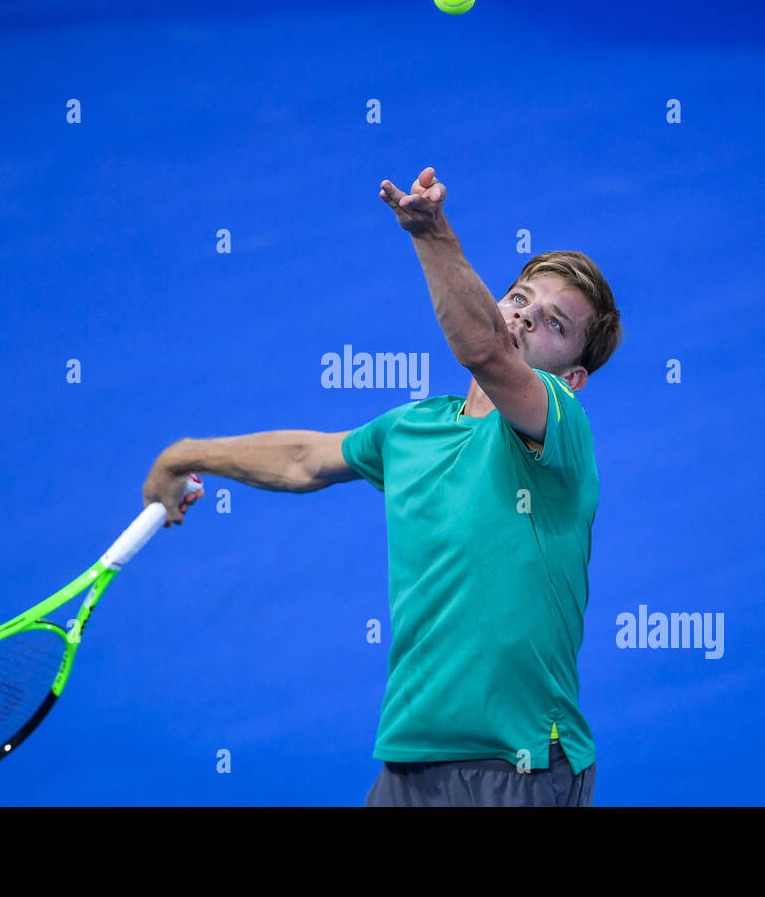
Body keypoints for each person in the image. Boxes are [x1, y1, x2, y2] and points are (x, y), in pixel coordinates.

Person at [143, 167, 623, 806]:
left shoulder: (559, 428)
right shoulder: (412, 429)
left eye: (555, 323)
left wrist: (431, 233)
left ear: (576, 375)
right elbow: (305, 459)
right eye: (520, 297)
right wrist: (184, 454)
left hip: (524, 766)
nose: (527, 317)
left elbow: (485, 351)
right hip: (409, 762)